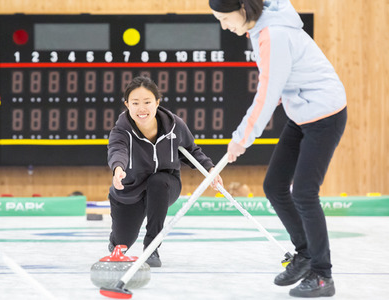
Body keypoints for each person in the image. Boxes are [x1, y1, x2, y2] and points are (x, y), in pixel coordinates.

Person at [209, 0, 347, 298]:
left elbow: (268, 93)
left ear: (243, 8)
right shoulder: (260, 27)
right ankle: (305, 253)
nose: (224, 25)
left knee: (304, 193)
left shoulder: (274, 33)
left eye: (224, 18)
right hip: (301, 113)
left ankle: (323, 275)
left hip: (324, 115)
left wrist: (242, 138)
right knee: (274, 185)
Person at [107, 76, 223, 267]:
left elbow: (192, 151)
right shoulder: (121, 131)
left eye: (147, 102)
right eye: (135, 103)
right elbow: (118, 151)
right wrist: (118, 168)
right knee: (123, 242)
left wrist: (210, 169)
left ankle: (152, 248)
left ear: (157, 102)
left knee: (158, 182)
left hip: (165, 184)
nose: (141, 108)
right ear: (127, 104)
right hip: (130, 189)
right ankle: (116, 242)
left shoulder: (174, 125)